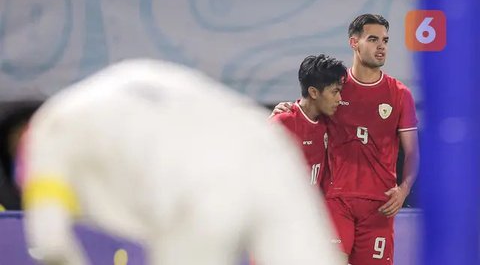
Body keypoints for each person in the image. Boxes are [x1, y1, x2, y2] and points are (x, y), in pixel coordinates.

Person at [20, 59, 345, 265]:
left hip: (197, 184)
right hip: (268, 148)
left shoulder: (46, 135)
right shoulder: (99, 97)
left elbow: (51, 243)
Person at [271, 14, 419, 264]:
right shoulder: (335, 86)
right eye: (373, 39)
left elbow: (413, 153)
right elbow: (309, 107)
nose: (381, 46)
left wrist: (403, 191)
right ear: (354, 42)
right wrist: (287, 109)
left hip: (379, 207)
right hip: (336, 200)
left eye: (385, 40)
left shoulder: (400, 94)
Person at [269, 54, 346, 192]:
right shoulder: (283, 122)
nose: (339, 98)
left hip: (309, 210)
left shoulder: (327, 123)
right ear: (314, 92)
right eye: (335, 92)